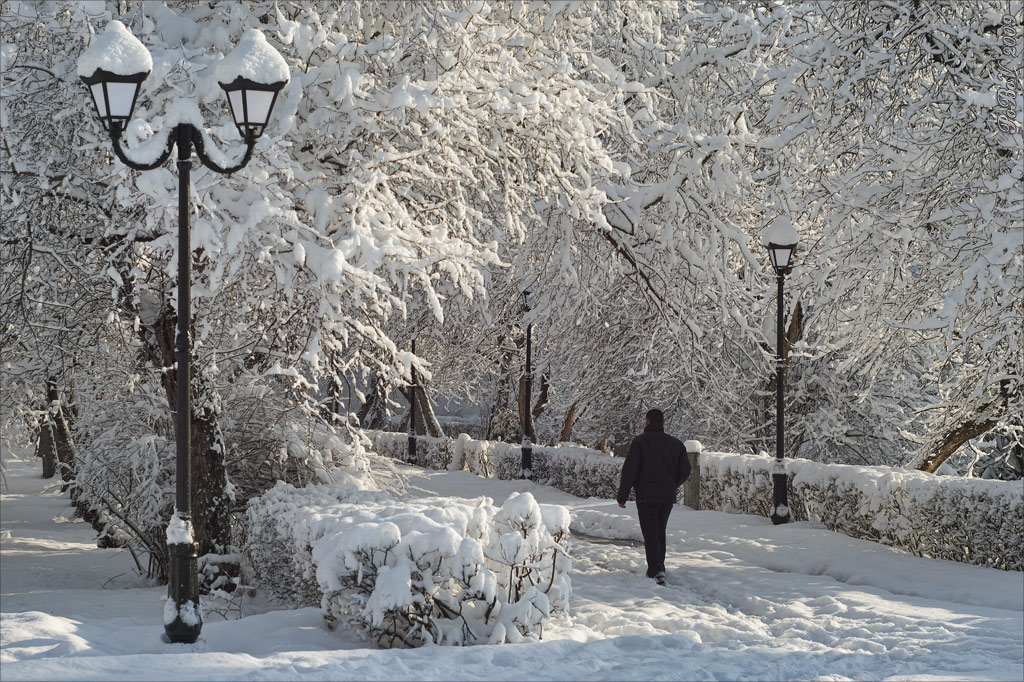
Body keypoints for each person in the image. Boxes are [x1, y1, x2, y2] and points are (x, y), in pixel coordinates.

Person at [616, 408, 691, 585]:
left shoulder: (640, 442)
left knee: (650, 532)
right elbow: (686, 469)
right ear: (663, 423)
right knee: (660, 531)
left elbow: (630, 470)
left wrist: (623, 495)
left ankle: (656, 570)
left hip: (645, 495)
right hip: (666, 496)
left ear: (647, 421)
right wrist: (673, 484)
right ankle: (659, 566)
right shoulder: (676, 444)